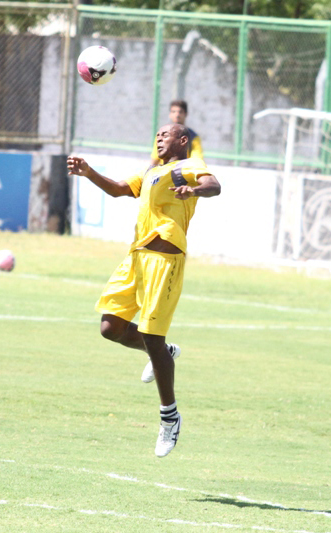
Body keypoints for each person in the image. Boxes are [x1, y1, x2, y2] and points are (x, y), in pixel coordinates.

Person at [67, 123, 221, 457]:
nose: (159, 138)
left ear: (182, 140)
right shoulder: (152, 171)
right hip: (135, 257)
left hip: (164, 261)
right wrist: (89, 173)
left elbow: (213, 185)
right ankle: (165, 353)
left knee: (152, 337)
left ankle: (170, 417)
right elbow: (119, 189)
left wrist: (193, 191)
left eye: (166, 134)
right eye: (157, 135)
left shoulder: (188, 166)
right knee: (111, 328)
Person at [149, 100, 203, 167]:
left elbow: (197, 160)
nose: (177, 115)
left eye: (180, 112)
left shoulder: (193, 137)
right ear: (170, 114)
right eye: (173, 112)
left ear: (186, 114)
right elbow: (155, 158)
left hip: (183, 170)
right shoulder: (161, 134)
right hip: (164, 170)